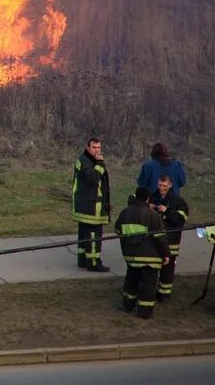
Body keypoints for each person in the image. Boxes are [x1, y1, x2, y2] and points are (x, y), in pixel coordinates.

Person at [115, 186, 171, 319]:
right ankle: (144, 312)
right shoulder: (152, 215)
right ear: (147, 198)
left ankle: (127, 305)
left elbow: (118, 230)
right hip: (149, 258)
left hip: (131, 256)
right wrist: (166, 254)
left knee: (131, 281)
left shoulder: (125, 213)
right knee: (148, 285)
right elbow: (160, 238)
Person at [71, 137, 111, 272]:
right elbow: (93, 178)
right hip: (90, 208)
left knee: (84, 235)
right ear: (88, 148)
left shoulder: (88, 160)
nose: (97, 150)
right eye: (94, 147)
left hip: (86, 206)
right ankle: (93, 263)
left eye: (99, 148)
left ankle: (82, 260)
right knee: (94, 235)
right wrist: (100, 164)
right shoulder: (85, 161)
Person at [151, 173, 189, 302]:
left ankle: (164, 294)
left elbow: (181, 220)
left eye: (165, 186)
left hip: (170, 241)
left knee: (167, 270)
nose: (162, 188)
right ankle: (150, 291)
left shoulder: (178, 201)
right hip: (154, 241)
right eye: (160, 185)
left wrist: (166, 211)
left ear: (170, 185)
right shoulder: (152, 197)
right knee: (152, 268)